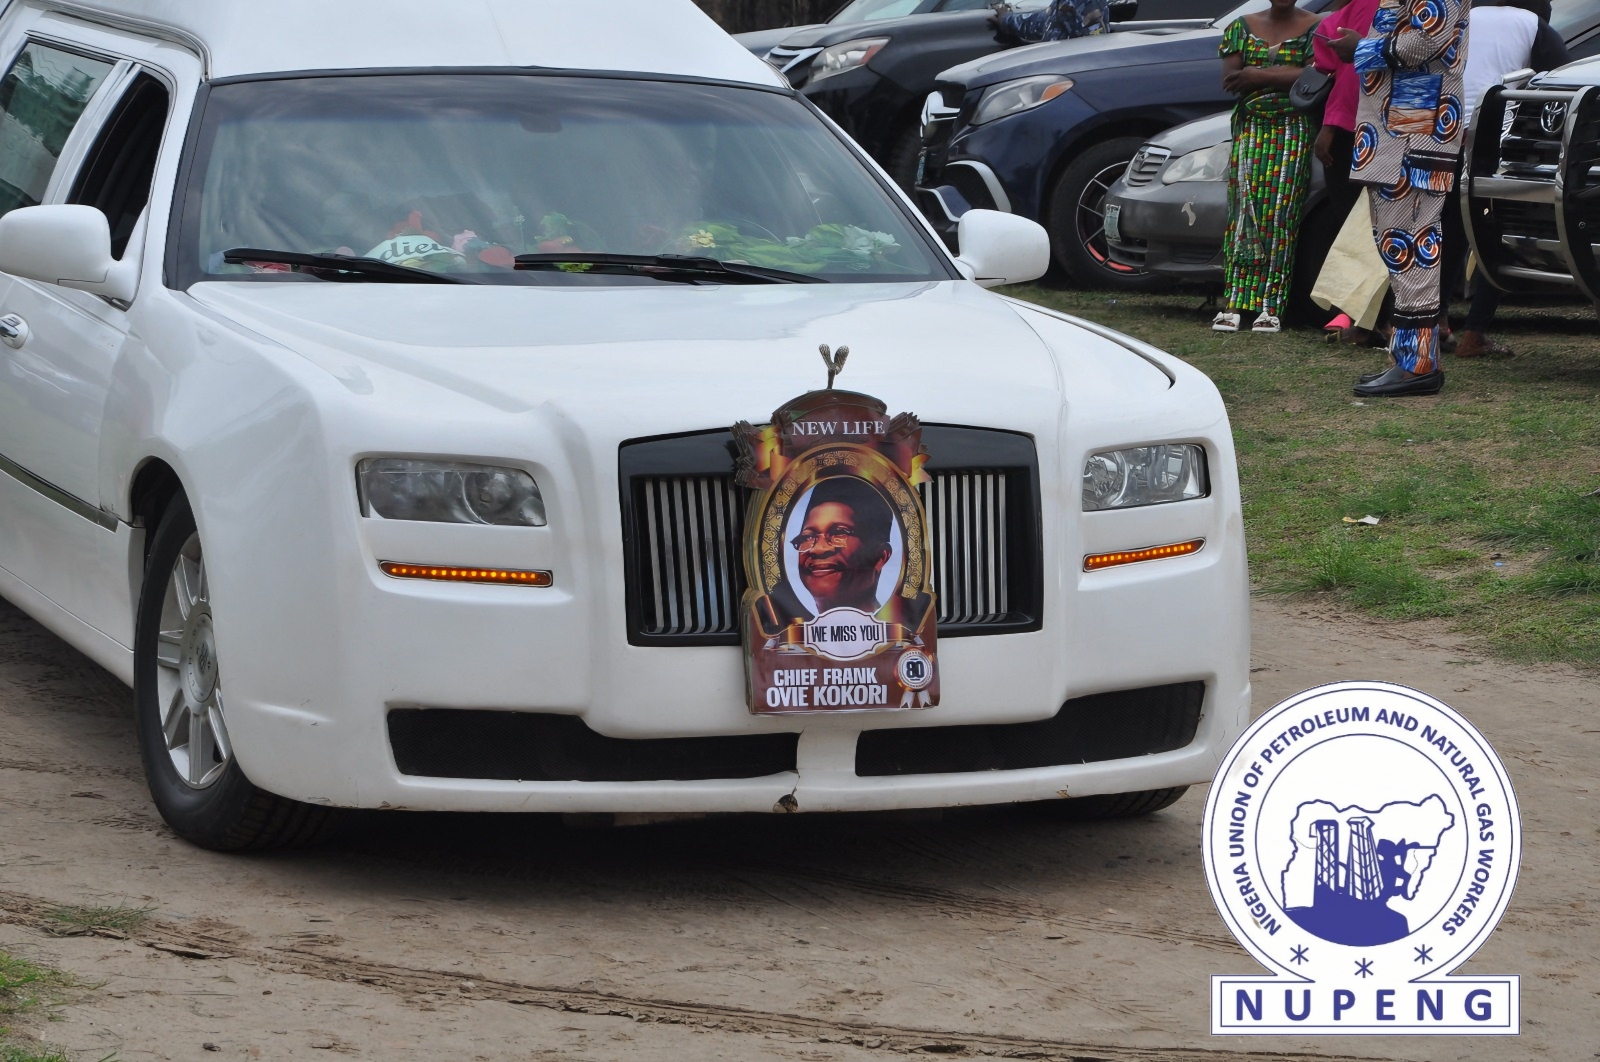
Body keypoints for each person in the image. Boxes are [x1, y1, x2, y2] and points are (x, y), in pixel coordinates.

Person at [1330, 0, 1470, 397]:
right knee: (1401, 244)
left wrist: (1359, 48)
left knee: (1410, 243)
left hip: (1415, 123)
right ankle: (1410, 359)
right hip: (1402, 123)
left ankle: (1417, 366)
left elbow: (1424, 41)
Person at [1448, 0, 1570, 358]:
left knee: (1448, 232)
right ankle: (1474, 333)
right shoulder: (1533, 24)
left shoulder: (1458, 17)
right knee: (1497, 235)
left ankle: (1436, 323)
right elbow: (1563, 83)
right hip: (1493, 140)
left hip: (1443, 132)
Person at [1212, 0, 1322, 334]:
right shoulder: (1240, 27)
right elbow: (1231, 79)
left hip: (1292, 127)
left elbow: (1315, 75)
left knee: (1281, 214)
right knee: (1244, 211)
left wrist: (1256, 75)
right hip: (1251, 126)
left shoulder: (1316, 27)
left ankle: (1271, 306)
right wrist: (1284, 75)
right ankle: (1234, 301)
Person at [792, 477, 895, 615]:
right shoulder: (784, 627)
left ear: (880, 556)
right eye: (808, 537)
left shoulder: (898, 628)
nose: (818, 549)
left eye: (839, 533)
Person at [991, 0, 1111, 44]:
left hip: (1071, 74)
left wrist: (1006, 19)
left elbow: (1048, 22)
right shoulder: (1063, 4)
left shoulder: (1079, 3)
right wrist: (1006, 19)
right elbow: (1042, 20)